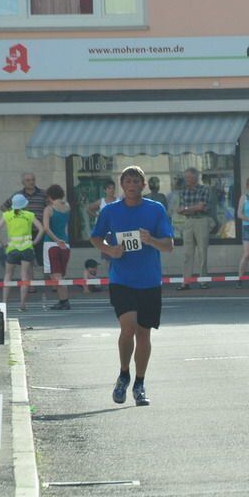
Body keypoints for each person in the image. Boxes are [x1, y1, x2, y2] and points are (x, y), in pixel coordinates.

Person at [90, 165, 174, 406]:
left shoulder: (155, 209)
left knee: (143, 333)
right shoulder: (111, 211)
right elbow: (96, 237)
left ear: (143, 184)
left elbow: (168, 245)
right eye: (128, 181)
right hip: (121, 279)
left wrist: (151, 240)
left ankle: (139, 382)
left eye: (136, 181)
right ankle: (124, 373)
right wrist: (110, 250)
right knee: (128, 328)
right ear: (122, 185)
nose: (132, 185)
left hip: (148, 280)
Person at [0, 194, 44, 311]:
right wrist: (35, 241)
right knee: (24, 276)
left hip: (12, 249)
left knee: (8, 275)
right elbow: (41, 228)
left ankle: (4, 303)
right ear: (24, 205)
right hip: (27, 248)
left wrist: (3, 243)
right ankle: (22, 304)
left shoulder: (7, 215)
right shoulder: (29, 215)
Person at [1, 172, 48, 275]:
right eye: (28, 180)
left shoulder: (44, 194)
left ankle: (50, 284)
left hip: (40, 231)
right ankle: (30, 286)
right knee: (27, 260)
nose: (31, 182)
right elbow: (4, 206)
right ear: (23, 182)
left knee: (45, 258)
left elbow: (50, 208)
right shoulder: (18, 195)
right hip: (23, 233)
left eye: (33, 179)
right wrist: (14, 217)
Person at [176, 168, 212, 290]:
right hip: (189, 221)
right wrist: (192, 208)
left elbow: (202, 207)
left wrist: (186, 208)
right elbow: (179, 209)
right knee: (187, 253)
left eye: (189, 177)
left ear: (196, 177)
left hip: (202, 220)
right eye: (186, 177)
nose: (187, 180)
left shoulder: (204, 189)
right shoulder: (183, 191)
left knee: (202, 252)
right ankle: (186, 281)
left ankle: (203, 280)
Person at [42, 184, 72, 310]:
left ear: (49, 196)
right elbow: (65, 226)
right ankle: (62, 300)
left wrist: (56, 240)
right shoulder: (67, 206)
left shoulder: (49, 209)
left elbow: (46, 228)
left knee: (56, 275)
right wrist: (63, 240)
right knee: (59, 275)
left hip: (51, 244)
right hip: (65, 244)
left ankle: (64, 301)